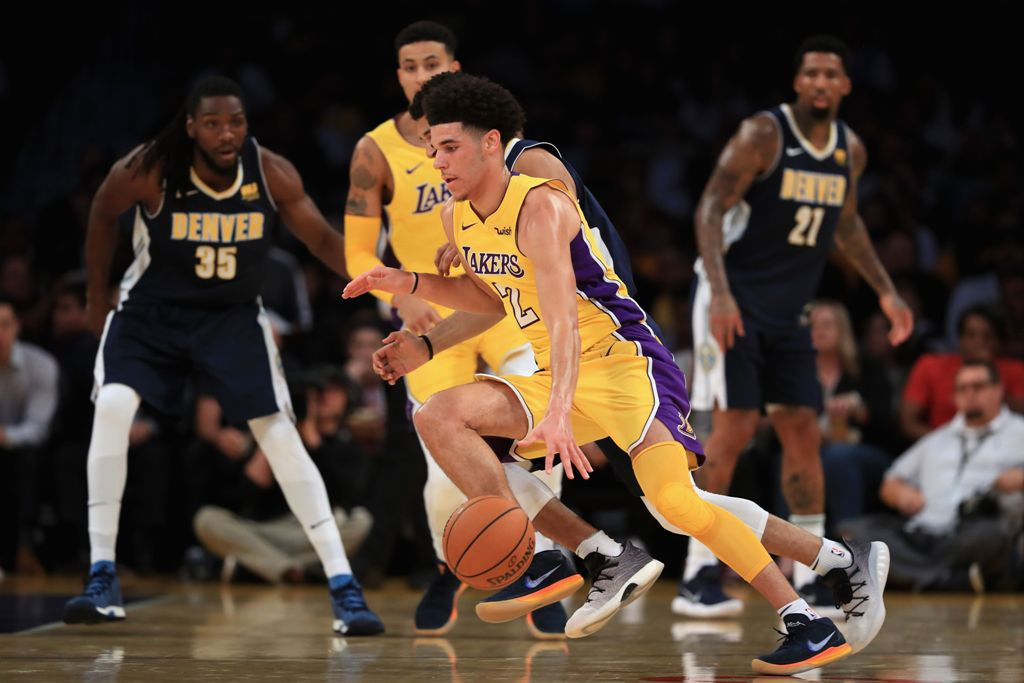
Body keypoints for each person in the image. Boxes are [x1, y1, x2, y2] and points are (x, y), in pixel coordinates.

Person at [345, 72, 886, 675]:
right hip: (559, 369)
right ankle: (566, 556)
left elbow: (563, 318)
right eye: (428, 148)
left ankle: (804, 618)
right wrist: (411, 288)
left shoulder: (541, 197)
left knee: (676, 505)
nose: (434, 161)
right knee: (440, 417)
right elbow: (494, 295)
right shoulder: (456, 216)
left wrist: (556, 414)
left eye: (446, 147)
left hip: (626, 361)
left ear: (491, 142)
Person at [61, 76, 383, 635]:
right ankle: (101, 574)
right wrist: (95, 295)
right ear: (191, 126)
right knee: (112, 408)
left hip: (231, 318)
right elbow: (101, 214)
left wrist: (383, 282)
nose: (227, 132)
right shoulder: (150, 167)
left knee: (278, 432)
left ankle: (343, 586)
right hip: (151, 313)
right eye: (213, 123)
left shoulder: (270, 170)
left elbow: (320, 239)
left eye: (236, 121)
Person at [342, 20, 565, 638]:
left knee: (540, 438)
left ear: (455, 65)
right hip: (430, 314)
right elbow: (358, 250)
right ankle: (454, 562)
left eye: (432, 63)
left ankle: (540, 567)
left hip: (500, 305)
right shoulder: (374, 149)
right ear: (398, 76)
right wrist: (399, 298)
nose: (421, 75)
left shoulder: (498, 138)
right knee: (442, 464)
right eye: (409, 66)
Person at [683, 35, 913, 613]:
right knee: (732, 429)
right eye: (810, 72)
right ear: (797, 82)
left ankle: (809, 572)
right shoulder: (765, 133)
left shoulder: (849, 152)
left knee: (802, 430)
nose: (819, 82)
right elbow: (710, 205)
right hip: (731, 296)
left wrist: (886, 292)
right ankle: (699, 573)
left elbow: (849, 225)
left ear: (845, 86)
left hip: (789, 313)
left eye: (830, 74)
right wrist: (721, 295)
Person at [844, 360, 1024, 591]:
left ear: (998, 389)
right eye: (962, 388)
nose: (970, 394)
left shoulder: (1019, 432)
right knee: (853, 533)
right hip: (922, 534)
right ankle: (950, 581)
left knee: (992, 538)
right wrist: (901, 494)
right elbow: (891, 480)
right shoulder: (936, 439)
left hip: (972, 533)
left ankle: (910, 576)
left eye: (978, 386)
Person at [901, 304, 1024, 441]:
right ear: (960, 338)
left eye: (988, 337)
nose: (978, 342)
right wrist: (945, 445)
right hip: (939, 447)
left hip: (1000, 448)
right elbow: (908, 422)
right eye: (971, 335)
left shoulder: (1015, 370)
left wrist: (988, 373)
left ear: (999, 342)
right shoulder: (930, 365)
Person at [0, 296, 59, 574]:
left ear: (17, 327)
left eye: (4, 325)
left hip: (23, 449)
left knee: (28, 459)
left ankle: (25, 548)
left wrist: (4, 436)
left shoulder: (41, 365)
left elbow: (38, 428)